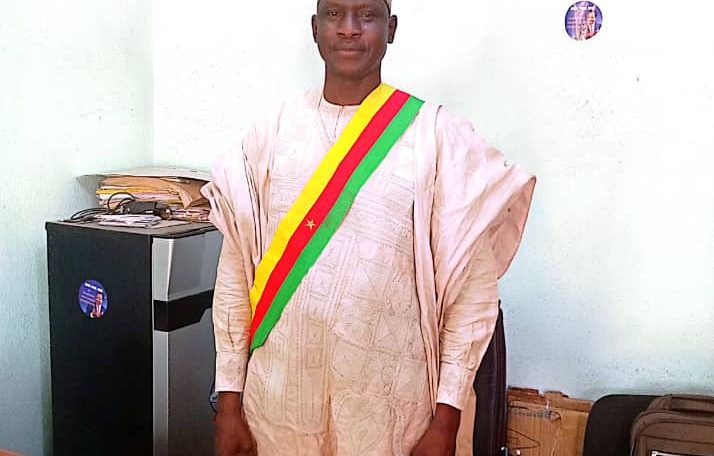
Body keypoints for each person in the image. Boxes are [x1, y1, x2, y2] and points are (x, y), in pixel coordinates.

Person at [201, 0, 536, 455]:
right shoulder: (271, 135)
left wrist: (446, 420)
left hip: (394, 415)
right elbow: (234, 279)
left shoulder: (436, 138)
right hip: (276, 409)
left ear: (391, 28)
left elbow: (473, 294)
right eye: (334, 15)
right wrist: (228, 406)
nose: (349, 29)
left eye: (367, 15)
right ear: (314, 28)